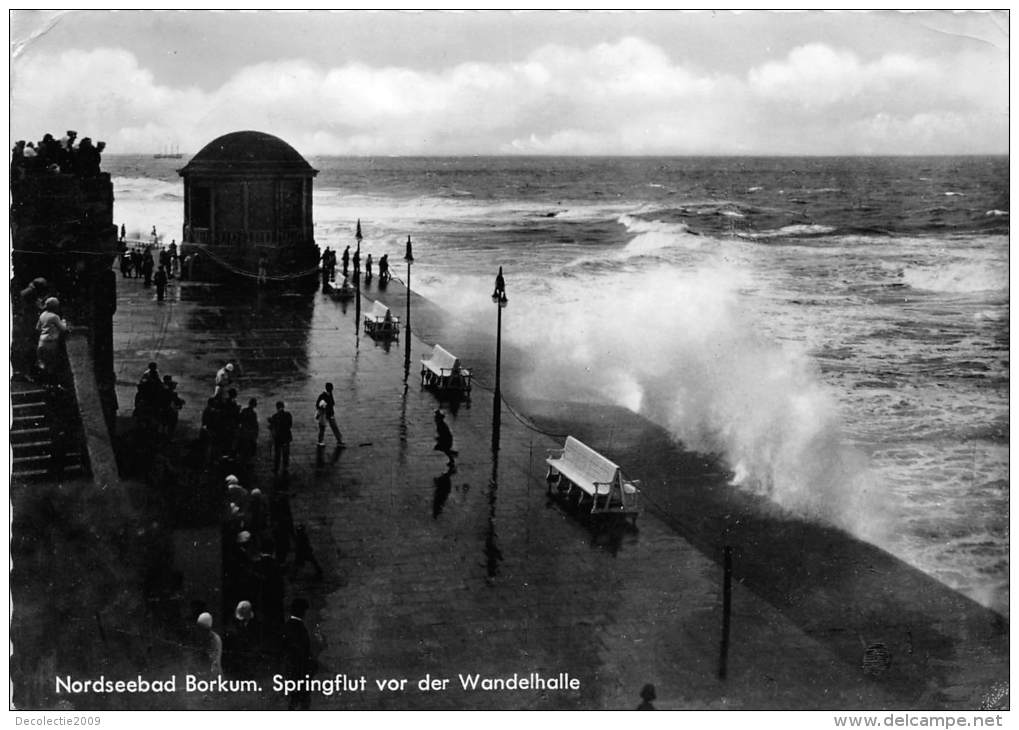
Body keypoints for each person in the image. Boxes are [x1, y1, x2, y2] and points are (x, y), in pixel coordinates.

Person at [281, 598, 314, 710]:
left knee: (295, 700)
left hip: (292, 670)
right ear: (302, 611)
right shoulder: (298, 627)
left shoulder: (289, 625)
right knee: (301, 701)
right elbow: (301, 651)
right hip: (299, 670)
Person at [36, 297, 69, 379]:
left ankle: (44, 383)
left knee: (44, 363)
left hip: (41, 342)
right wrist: (64, 322)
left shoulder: (42, 315)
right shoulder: (55, 317)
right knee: (52, 364)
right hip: (51, 342)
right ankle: (51, 383)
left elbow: (38, 328)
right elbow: (63, 329)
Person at [268, 401, 293, 474]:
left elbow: (272, 426)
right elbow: (290, 425)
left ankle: (276, 468)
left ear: (277, 407)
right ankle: (285, 467)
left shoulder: (275, 416)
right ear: (283, 407)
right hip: (286, 437)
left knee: (277, 454)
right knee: (286, 453)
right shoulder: (288, 415)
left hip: (278, 438)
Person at [195, 612, 223, 677]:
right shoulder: (197, 637)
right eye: (199, 628)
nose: (200, 631)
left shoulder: (215, 639)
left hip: (211, 675)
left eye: (203, 628)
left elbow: (215, 662)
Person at [237, 398, 259, 468]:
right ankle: (247, 462)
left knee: (243, 449)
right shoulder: (253, 414)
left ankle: (243, 462)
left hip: (243, 432)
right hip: (250, 434)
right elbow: (255, 425)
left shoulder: (244, 411)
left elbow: (239, 420)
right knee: (249, 449)